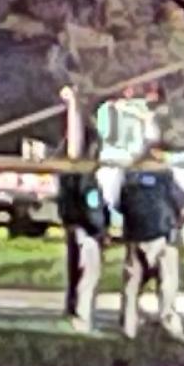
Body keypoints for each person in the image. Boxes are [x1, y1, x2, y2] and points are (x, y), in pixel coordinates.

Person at [117, 152, 184, 341]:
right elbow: (178, 202)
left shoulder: (129, 177)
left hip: (135, 236)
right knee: (167, 283)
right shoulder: (165, 176)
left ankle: (129, 326)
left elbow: (120, 205)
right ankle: (170, 323)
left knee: (132, 285)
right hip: (162, 236)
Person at [57, 86, 109, 333]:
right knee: (88, 272)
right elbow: (75, 147)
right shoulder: (80, 170)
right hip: (85, 225)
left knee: (77, 269)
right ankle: (81, 316)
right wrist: (73, 104)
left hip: (75, 221)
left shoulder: (73, 172)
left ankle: (73, 310)